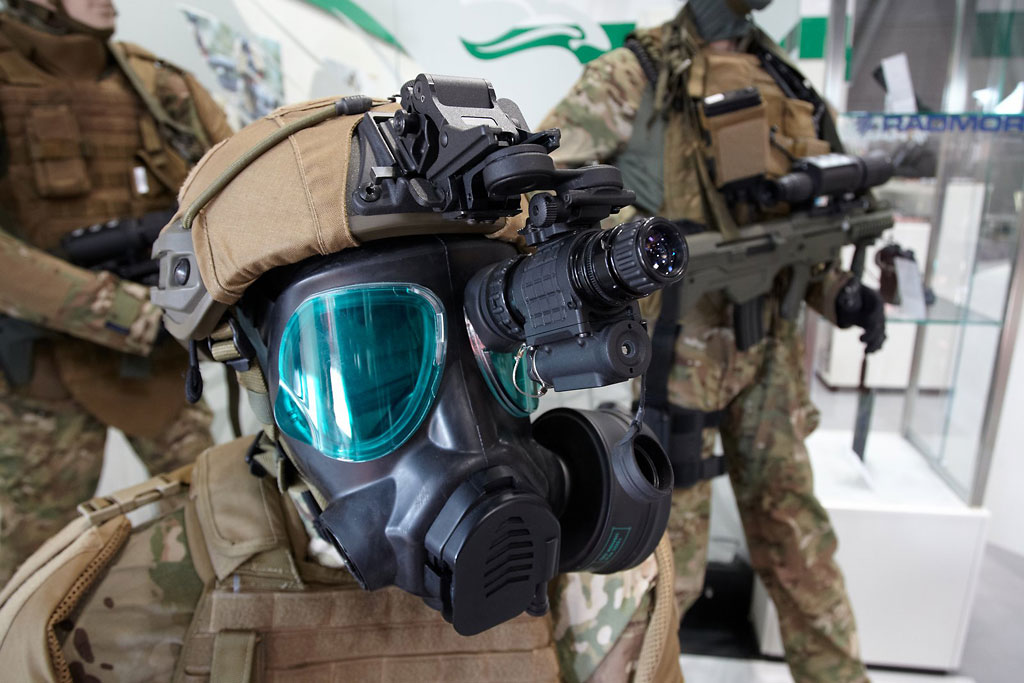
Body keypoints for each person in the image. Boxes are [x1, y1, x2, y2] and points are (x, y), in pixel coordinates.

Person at [0, 83, 684, 682]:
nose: (465, 432)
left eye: (496, 349)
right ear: (253, 365)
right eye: (377, 368)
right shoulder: (91, 610)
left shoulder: (612, 590)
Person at [538, 1, 886, 682]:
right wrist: (644, 242)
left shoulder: (781, 78)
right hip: (677, 361)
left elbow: (799, 226)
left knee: (801, 547)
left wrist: (838, 291)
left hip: (769, 354)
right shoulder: (636, 75)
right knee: (662, 572)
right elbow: (546, 190)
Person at [0, 0, 231, 583]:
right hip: (38, 382)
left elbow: (236, 181)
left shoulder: (157, 84)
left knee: (223, 535)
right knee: (29, 576)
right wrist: (123, 312)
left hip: (159, 368)